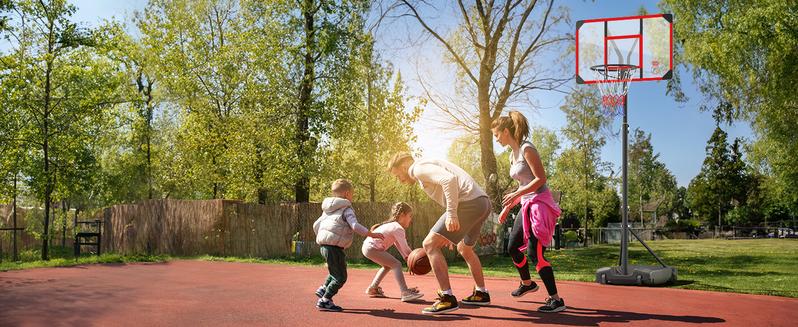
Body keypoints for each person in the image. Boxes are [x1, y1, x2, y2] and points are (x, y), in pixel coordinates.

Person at [388, 153, 491, 315]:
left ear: (403, 167)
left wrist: (452, 214)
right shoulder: (428, 163)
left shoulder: (417, 168)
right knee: (465, 248)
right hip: (482, 202)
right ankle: (481, 293)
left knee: (429, 244)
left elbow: (449, 180)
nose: (399, 179)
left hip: (468, 203)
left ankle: (447, 298)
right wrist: (453, 229)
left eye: (397, 175)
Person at [493, 111, 566, 313]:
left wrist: (517, 193)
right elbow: (523, 185)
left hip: (539, 205)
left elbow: (540, 179)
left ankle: (556, 299)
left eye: (496, 135)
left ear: (505, 131)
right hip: (525, 204)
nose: (496, 139)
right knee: (513, 247)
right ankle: (528, 284)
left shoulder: (527, 148)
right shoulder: (511, 155)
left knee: (535, 253)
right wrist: (508, 207)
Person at [313, 179, 384, 312]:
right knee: (341, 277)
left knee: (336, 270)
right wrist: (371, 234)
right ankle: (325, 300)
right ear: (346, 193)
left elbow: (316, 225)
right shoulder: (346, 208)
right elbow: (355, 226)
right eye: (352, 193)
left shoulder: (328, 209)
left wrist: (322, 238)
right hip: (334, 247)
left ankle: (323, 288)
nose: (352, 196)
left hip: (324, 245)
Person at [361, 202, 424, 302]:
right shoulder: (398, 228)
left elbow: (399, 246)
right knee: (396, 264)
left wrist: (408, 259)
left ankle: (373, 288)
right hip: (372, 248)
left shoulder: (393, 226)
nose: (411, 219)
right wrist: (412, 259)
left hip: (368, 247)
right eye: (410, 216)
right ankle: (405, 292)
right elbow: (405, 248)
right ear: (402, 215)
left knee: (388, 265)